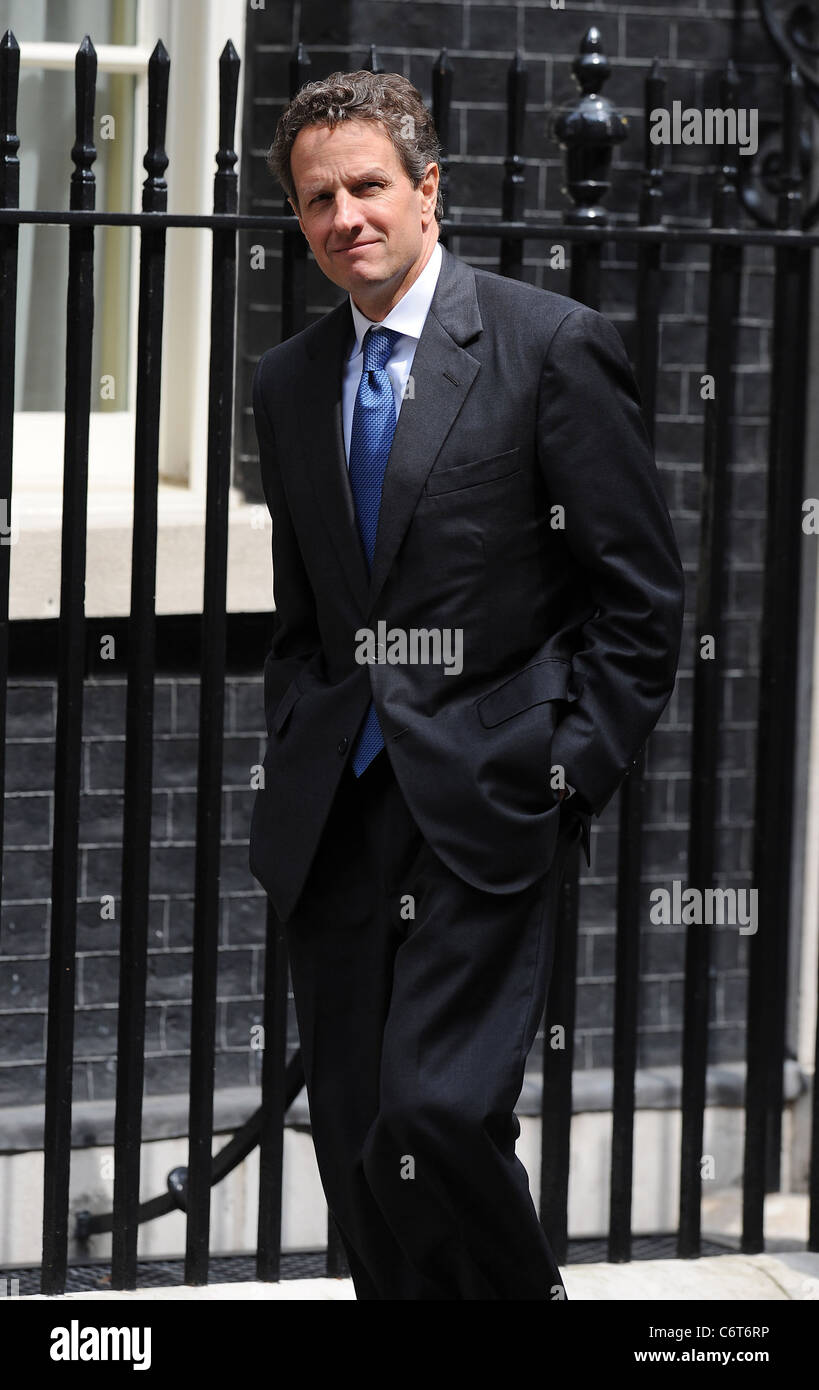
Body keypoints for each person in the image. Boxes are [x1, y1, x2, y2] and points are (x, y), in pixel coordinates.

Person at [249, 69, 685, 1300]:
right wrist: (295, 740)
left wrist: (567, 771)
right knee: (356, 1139)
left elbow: (642, 603)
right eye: (319, 198)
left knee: (433, 1108)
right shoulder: (289, 383)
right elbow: (304, 617)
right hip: (338, 814)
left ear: (429, 191)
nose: (347, 218)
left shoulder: (547, 347)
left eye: (369, 187)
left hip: (491, 802)